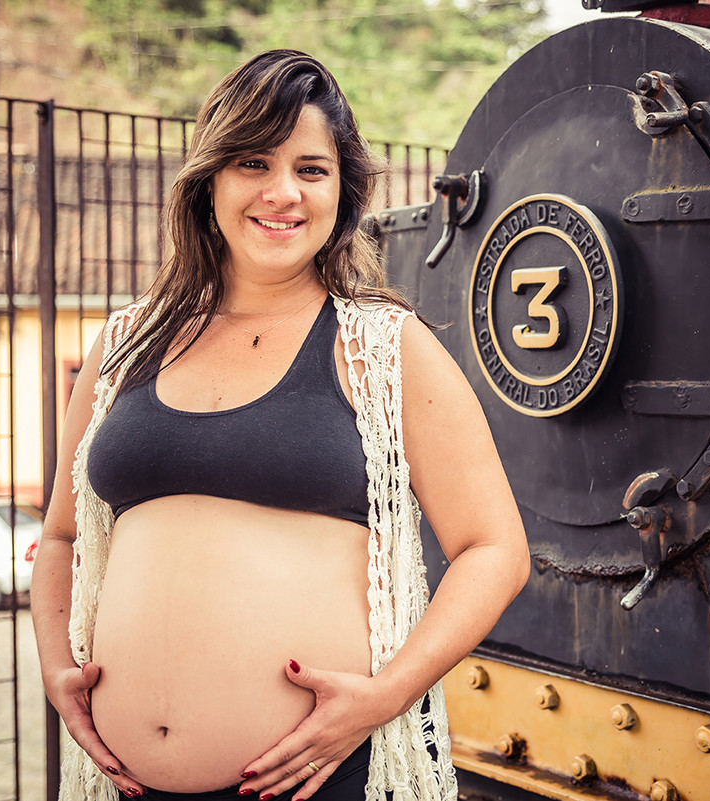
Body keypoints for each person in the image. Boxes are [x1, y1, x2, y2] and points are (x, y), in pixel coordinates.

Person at [31, 49, 529, 801]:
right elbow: (62, 537)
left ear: (342, 192)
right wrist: (53, 667)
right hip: (128, 785)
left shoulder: (384, 348)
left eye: (311, 169)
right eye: (254, 163)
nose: (284, 192)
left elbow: (494, 549)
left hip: (322, 780)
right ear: (211, 179)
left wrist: (387, 694)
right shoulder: (124, 343)